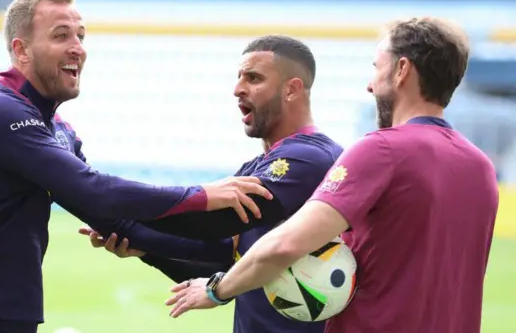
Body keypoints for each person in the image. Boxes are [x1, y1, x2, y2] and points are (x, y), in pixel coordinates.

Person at [0, 0, 273, 333]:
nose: (78, 47)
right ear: (21, 50)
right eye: (61, 36)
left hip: (6, 321)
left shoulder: (57, 130)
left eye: (80, 35)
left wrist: (238, 267)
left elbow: (117, 221)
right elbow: (96, 192)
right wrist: (203, 194)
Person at [165, 17, 499, 333]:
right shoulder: (481, 167)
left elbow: (285, 246)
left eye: (376, 68)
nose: (370, 85)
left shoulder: (381, 150)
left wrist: (216, 290)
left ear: (401, 71)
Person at [80, 35, 344, 333]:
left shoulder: (309, 159)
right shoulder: (257, 167)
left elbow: (213, 224)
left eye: (253, 78)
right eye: (239, 78)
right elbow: (225, 265)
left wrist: (102, 202)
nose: (238, 89)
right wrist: (144, 247)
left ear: (291, 89)